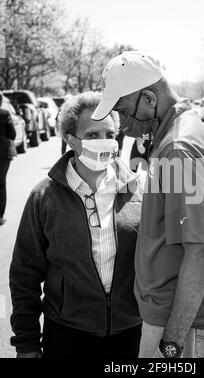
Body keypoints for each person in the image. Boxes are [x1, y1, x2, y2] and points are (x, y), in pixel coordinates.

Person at [92, 51, 204, 359]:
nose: (121, 125)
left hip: (185, 327)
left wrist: (172, 343)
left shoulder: (177, 149)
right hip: (188, 321)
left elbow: (199, 251)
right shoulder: (180, 132)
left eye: (122, 111)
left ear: (148, 99)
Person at [9, 92, 142, 359]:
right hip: (68, 335)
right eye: (92, 134)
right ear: (70, 139)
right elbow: (25, 275)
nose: (103, 141)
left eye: (109, 133)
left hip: (131, 334)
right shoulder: (44, 197)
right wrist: (27, 343)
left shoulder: (139, 191)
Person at [0, 92, 16, 226]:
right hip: (3, 154)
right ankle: (0, 216)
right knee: (1, 183)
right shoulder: (4, 113)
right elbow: (12, 134)